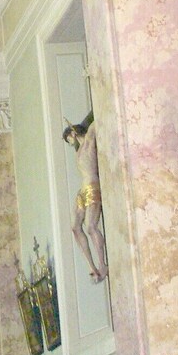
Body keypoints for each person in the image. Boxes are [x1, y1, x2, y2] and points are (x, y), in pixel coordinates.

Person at [63, 120, 107, 283]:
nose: (71, 142)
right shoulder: (80, 149)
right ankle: (91, 266)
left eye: (70, 139)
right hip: (83, 190)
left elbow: (96, 122)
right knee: (75, 227)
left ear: (73, 133)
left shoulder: (89, 140)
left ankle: (102, 265)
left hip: (92, 186)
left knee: (90, 226)